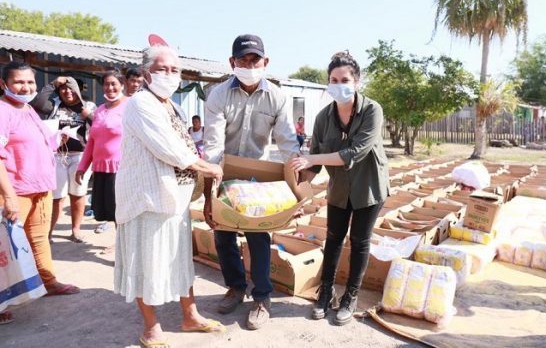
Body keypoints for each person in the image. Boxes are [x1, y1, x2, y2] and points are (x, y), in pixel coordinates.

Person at [113, 44, 225, 348]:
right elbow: (171, 150)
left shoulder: (171, 105)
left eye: (175, 69)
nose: (170, 74)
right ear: (147, 73)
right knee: (145, 263)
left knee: (179, 260)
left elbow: (187, 145)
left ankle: (190, 316)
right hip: (146, 199)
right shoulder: (140, 104)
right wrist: (209, 168)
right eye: (163, 68)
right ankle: (151, 326)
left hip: (175, 198)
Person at [203, 34, 300, 330]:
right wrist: (210, 195)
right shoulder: (218, 95)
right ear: (232, 62)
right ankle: (235, 286)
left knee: (259, 236)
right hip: (224, 172)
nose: (248, 65)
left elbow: (287, 144)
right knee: (223, 235)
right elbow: (212, 146)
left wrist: (297, 192)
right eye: (242, 60)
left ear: (265, 62)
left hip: (259, 179)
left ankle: (261, 297)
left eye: (254, 60)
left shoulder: (277, 97)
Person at [290, 52, 389, 325]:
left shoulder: (372, 110)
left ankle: (351, 296)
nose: (339, 84)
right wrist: (295, 188)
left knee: (359, 241)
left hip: (369, 186)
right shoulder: (323, 118)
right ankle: (326, 292)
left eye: (345, 79)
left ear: (357, 81)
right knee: (333, 239)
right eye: (333, 80)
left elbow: (354, 152)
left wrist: (313, 158)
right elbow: (314, 164)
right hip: (339, 188)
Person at [0, 62, 81, 324]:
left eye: (30, 83)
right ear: (4, 85)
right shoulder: (3, 111)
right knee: (5, 247)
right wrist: (9, 196)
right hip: (16, 190)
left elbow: (37, 142)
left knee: (38, 239)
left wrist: (58, 137)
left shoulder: (28, 110)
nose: (26, 87)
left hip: (41, 188)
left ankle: (49, 282)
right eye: (19, 82)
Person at [33, 76, 96, 243]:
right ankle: (49, 232)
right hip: (57, 156)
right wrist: (53, 83)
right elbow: (37, 104)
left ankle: (75, 230)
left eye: (71, 88)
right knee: (56, 196)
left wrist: (83, 111)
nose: (67, 91)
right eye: (63, 88)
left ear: (77, 90)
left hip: (81, 156)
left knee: (78, 193)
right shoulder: (54, 105)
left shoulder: (88, 106)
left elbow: (98, 124)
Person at [75, 71, 127, 242]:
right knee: (109, 213)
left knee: (122, 214)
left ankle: (123, 249)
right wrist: (82, 167)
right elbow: (91, 142)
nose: (110, 87)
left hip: (121, 170)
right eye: (106, 84)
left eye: (114, 83)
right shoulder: (99, 110)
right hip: (100, 169)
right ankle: (119, 247)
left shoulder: (129, 107)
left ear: (122, 85)